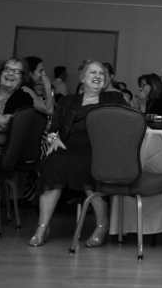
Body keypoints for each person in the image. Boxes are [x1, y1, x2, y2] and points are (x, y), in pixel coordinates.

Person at [28, 60, 126, 248]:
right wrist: (53, 138)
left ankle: (101, 225)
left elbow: (128, 122)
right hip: (69, 146)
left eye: (101, 74)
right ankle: (42, 227)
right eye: (92, 73)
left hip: (99, 148)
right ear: (82, 77)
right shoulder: (68, 101)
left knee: (91, 164)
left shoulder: (114, 98)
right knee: (54, 161)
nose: (98, 76)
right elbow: (54, 127)